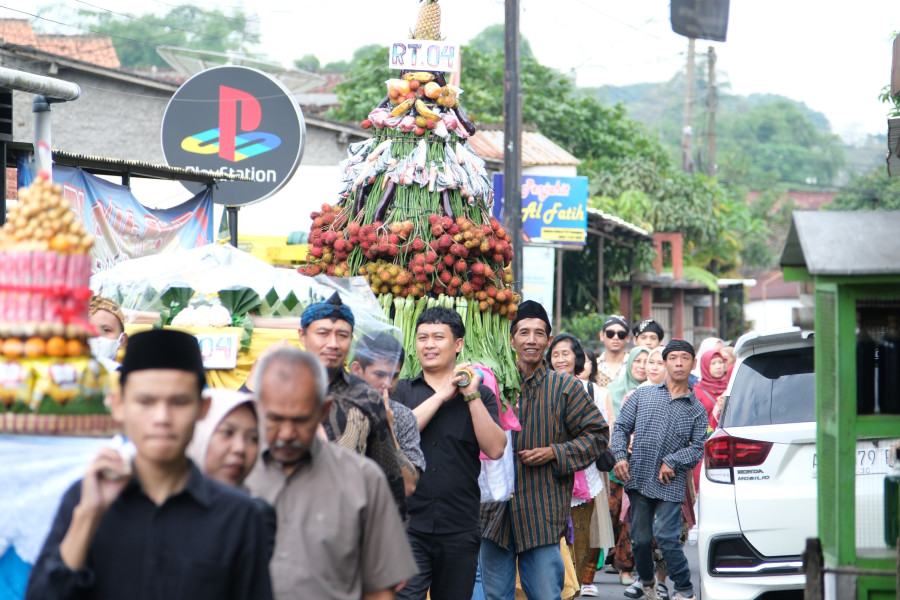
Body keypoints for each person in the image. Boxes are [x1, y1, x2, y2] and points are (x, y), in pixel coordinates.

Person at [26, 329, 273, 600]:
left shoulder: (237, 516)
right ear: (119, 406)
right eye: (146, 401)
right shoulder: (84, 499)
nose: (162, 418)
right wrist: (88, 517)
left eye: (179, 402)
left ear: (203, 409)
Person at [245, 347, 417, 600]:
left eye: (300, 419)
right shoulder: (235, 476)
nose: (287, 433)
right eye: (275, 419)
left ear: (323, 411)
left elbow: (380, 590)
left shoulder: (363, 479)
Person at [479, 301, 609, 600]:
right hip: (492, 513)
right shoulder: (491, 384)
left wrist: (556, 452)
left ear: (549, 341)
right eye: (524, 332)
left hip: (542, 512)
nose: (531, 340)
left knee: (545, 595)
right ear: (512, 339)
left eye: (539, 333)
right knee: (495, 596)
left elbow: (598, 435)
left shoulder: (565, 387)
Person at [244, 292, 406, 518]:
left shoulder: (366, 397)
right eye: (323, 333)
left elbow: (389, 477)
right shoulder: (275, 386)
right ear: (302, 336)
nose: (333, 344)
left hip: (344, 524)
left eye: (342, 335)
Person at [393, 307, 505, 600]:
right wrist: (442, 394)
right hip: (407, 527)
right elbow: (397, 434)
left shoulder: (482, 395)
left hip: (460, 526)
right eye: (422, 337)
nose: (429, 344)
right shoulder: (401, 392)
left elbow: (495, 448)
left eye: (438, 337)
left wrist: (471, 396)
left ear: (457, 344)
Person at [610, 339, 708, 600]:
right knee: (640, 539)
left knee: (666, 536)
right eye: (673, 358)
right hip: (639, 477)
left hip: (670, 482)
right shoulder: (644, 395)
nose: (678, 363)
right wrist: (619, 457)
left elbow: (698, 448)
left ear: (693, 364)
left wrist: (674, 460)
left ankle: (685, 589)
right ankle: (647, 583)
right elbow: (620, 428)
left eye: (684, 358)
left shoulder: (697, 410)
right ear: (665, 363)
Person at [547, 333, 615, 598]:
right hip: (550, 474)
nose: (561, 358)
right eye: (556, 354)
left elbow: (600, 433)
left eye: (566, 353)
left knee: (581, 538)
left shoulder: (592, 391)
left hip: (585, 476)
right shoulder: (541, 387)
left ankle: (573, 591)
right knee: (554, 540)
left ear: (577, 358)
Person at [186, 387, 277, 559]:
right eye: (227, 433)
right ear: (197, 433)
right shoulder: (157, 505)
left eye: (253, 438)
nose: (240, 448)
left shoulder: (255, 516)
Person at [351, 332, 425, 498]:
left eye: (394, 376)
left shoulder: (402, 416)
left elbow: (408, 486)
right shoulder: (334, 407)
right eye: (379, 374)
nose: (388, 384)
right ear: (357, 369)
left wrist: (388, 430)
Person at [607, 345, 650, 417]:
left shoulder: (656, 392)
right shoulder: (611, 390)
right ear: (630, 363)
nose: (642, 366)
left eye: (646, 362)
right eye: (637, 361)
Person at [88, 294, 127, 370]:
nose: (96, 337)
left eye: (106, 330)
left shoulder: (127, 379)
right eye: (88, 331)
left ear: (122, 340)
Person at [596, 315, 631, 387]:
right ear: (602, 335)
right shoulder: (593, 366)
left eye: (621, 334)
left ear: (627, 338)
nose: (615, 337)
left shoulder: (635, 366)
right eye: (610, 333)